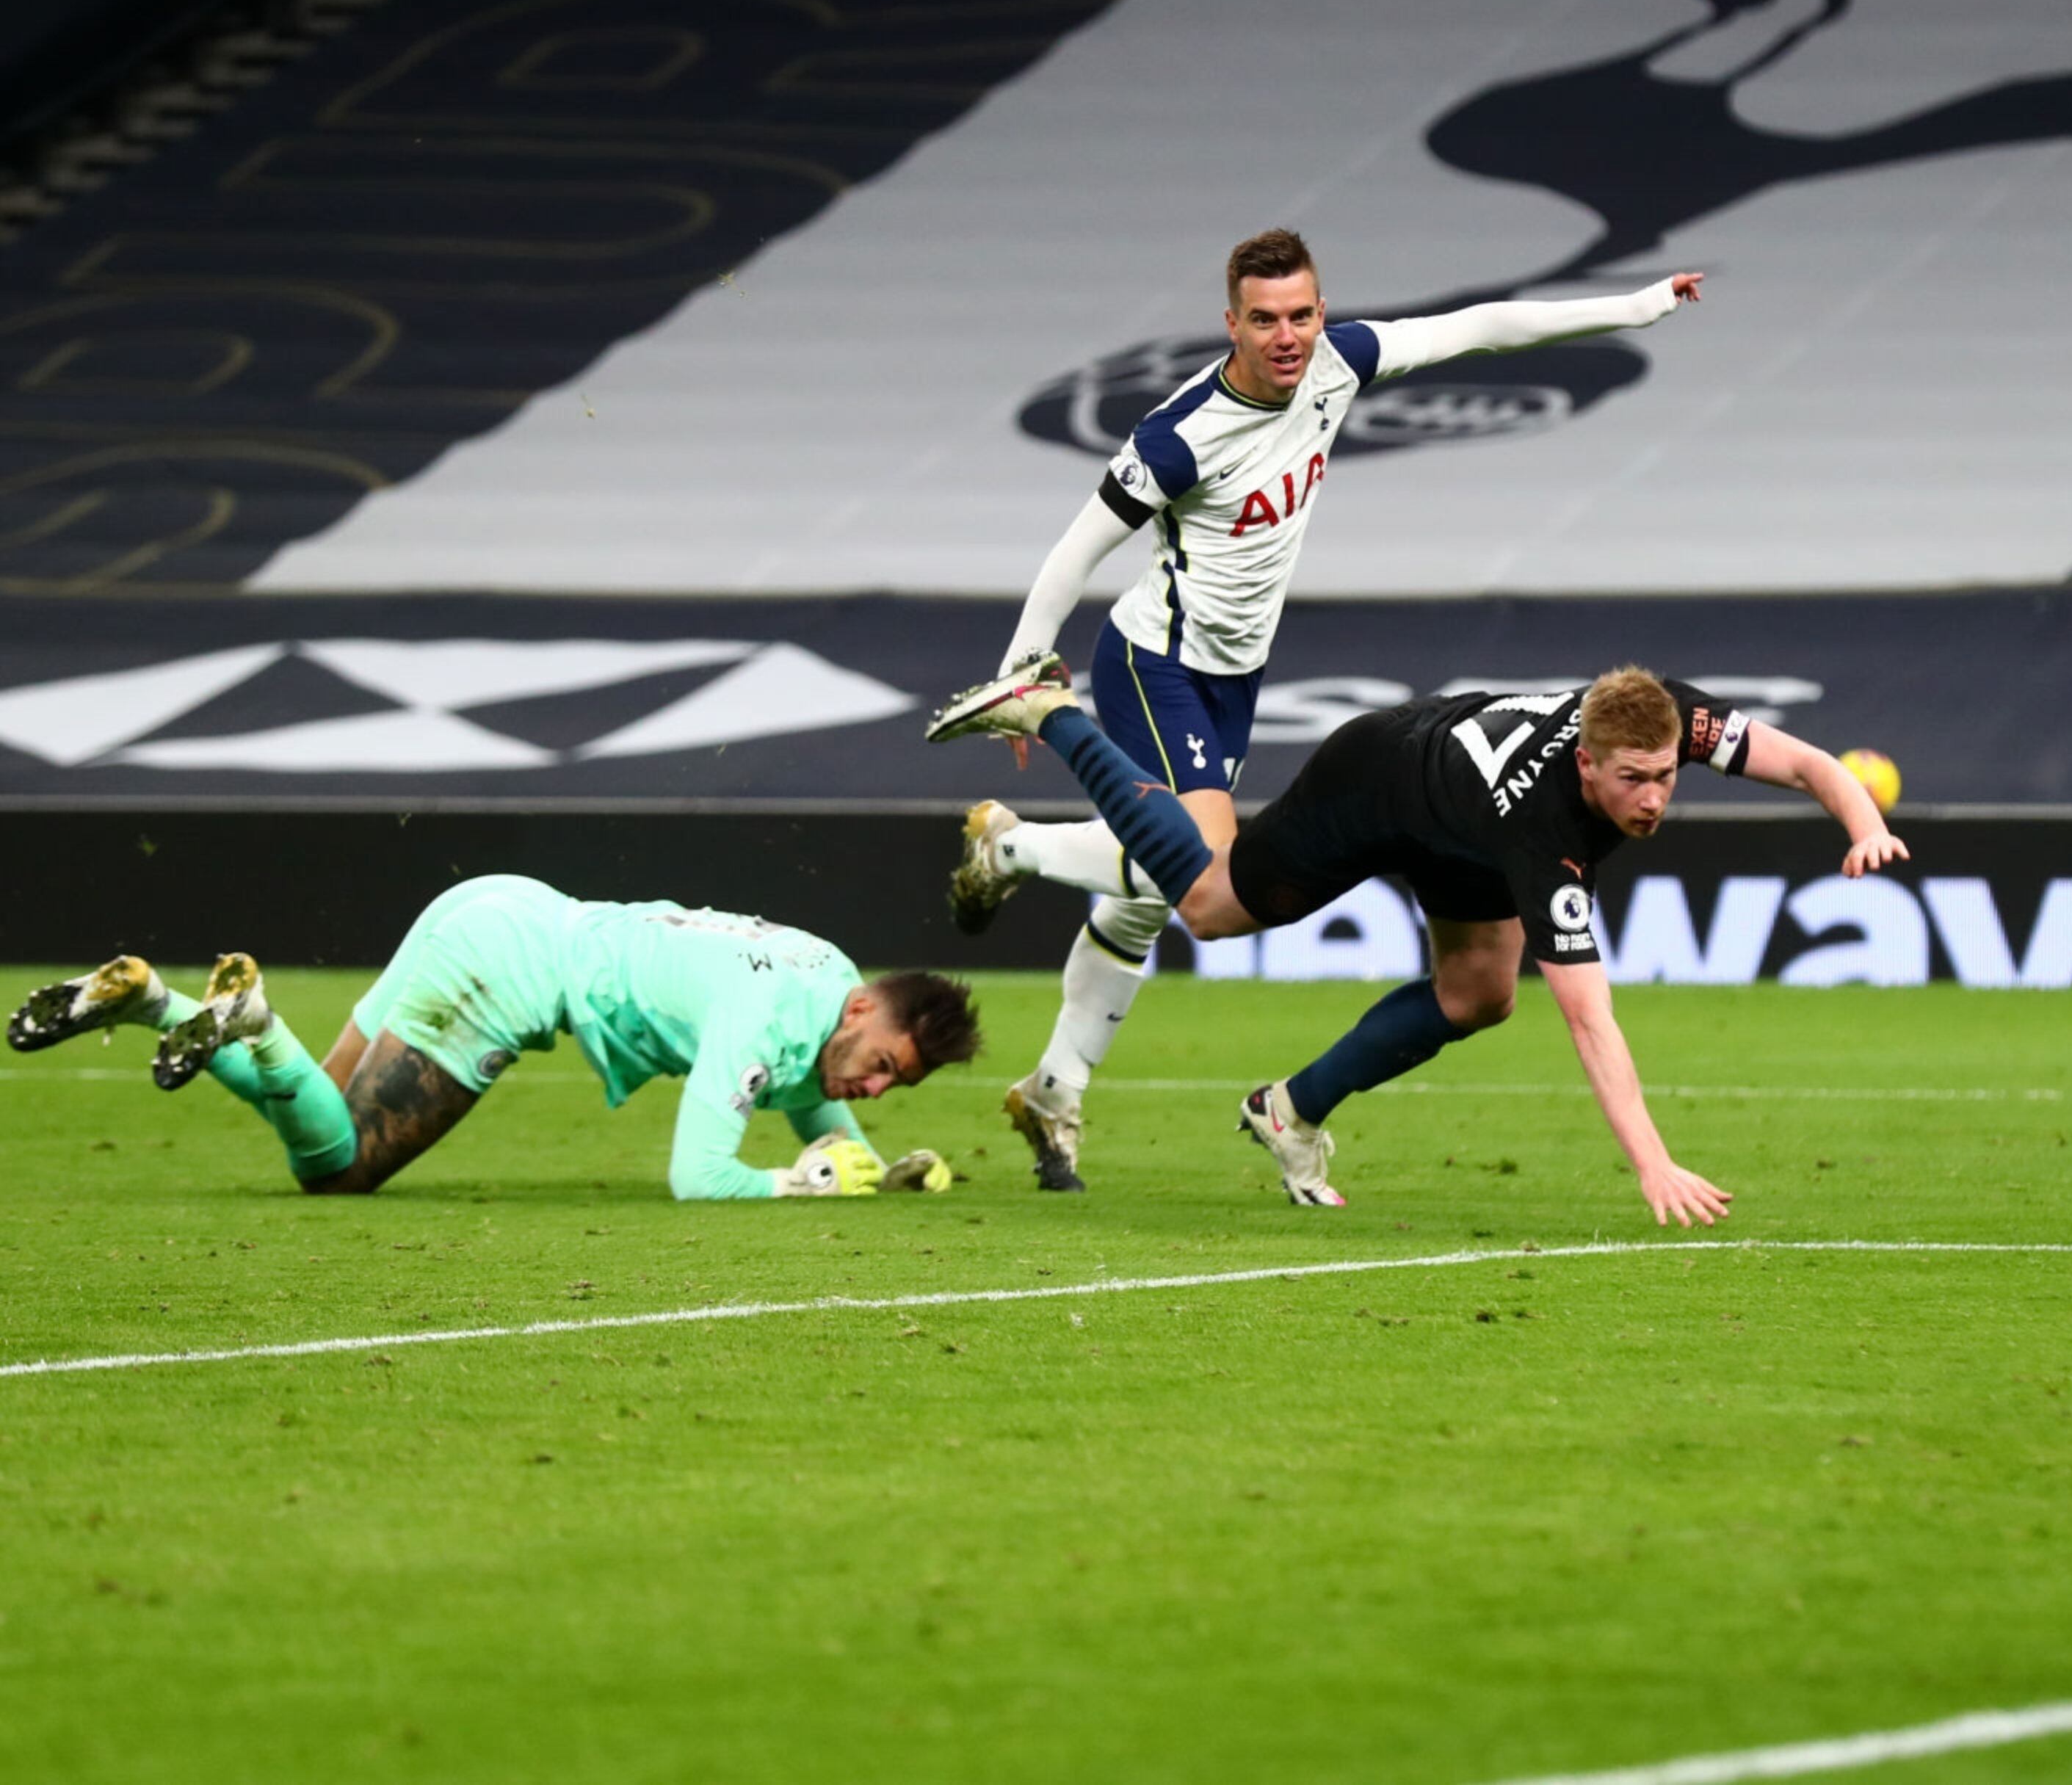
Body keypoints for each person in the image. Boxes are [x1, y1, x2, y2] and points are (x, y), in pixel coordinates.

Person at [931, 228, 1706, 1193]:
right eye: (1265, 320)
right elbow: (1075, 548)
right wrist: (1020, 671)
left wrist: (1635, 306)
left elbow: (1482, 328)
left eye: (1302, 313)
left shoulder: (1340, 365)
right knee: (1208, 880)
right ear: (1232, 325)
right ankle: (1016, 850)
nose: (1289, 335)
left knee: (1149, 893)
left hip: (1235, 676)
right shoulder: (1180, 437)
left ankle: (1055, 1088)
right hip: (1155, 664)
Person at [927, 656, 1905, 1225]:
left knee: (1482, 992)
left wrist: (1862, 826)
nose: (1653, 798)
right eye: (1632, 781)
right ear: (1588, 765)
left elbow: (1811, 762)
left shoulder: (1664, 716)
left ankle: (1289, 1111)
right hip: (1380, 783)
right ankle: (1050, 711)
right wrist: (1652, 1162)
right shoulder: (1546, 835)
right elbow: (1593, 1023)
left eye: (1666, 776)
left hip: (1459, 812)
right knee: (1211, 908)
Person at [5, 875, 978, 1199]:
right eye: (888, 1066)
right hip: (506, 970)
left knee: (304, 1103)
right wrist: (790, 1183)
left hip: (500, 905)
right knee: (337, 1168)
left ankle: (156, 1005)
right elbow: (698, 1175)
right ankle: (248, 1017)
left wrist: (875, 1166)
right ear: (863, 1015)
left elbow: (813, 1092)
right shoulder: (764, 1017)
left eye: (898, 1085)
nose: (877, 1089)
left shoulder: (830, 980)